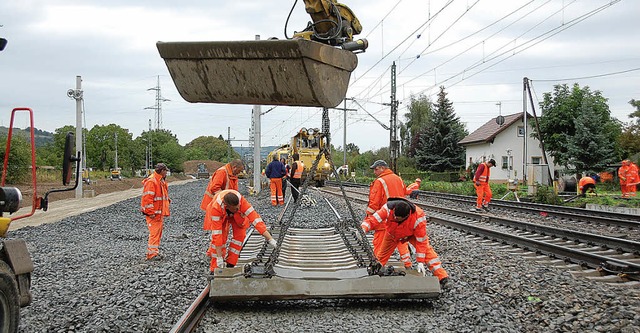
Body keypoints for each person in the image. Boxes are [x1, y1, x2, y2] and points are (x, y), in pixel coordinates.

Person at [361, 198, 449, 287]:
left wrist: (420, 262)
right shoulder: (387, 209)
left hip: (411, 234)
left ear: (407, 216)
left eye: (398, 219)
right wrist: (363, 228)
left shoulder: (418, 217)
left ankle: (442, 277)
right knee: (382, 256)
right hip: (392, 234)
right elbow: (373, 220)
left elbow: (421, 242)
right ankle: (374, 272)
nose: (395, 219)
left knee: (427, 252)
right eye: (394, 217)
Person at [204, 189, 277, 272]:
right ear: (227, 206)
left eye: (239, 207)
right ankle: (215, 268)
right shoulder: (216, 208)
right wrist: (219, 257)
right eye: (236, 208)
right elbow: (217, 234)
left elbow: (256, 220)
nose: (238, 208)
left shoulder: (242, 203)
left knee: (240, 236)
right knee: (221, 238)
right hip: (221, 214)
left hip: (236, 216)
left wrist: (270, 239)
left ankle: (230, 263)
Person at [365, 159, 412, 268]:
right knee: (401, 241)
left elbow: (374, 203)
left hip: (384, 218)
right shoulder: (398, 179)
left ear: (382, 168)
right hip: (400, 217)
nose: (374, 172)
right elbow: (405, 192)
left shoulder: (380, 181)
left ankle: (377, 264)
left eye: (376, 169)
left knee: (379, 243)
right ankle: (407, 264)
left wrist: (368, 218)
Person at [140, 163, 171, 260]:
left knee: (157, 233)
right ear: (162, 171)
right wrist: (150, 212)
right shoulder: (152, 181)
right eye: (166, 171)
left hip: (158, 213)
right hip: (154, 213)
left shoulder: (159, 181)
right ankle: (151, 254)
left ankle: (154, 252)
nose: (167, 173)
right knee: (154, 233)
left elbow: (160, 196)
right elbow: (147, 198)